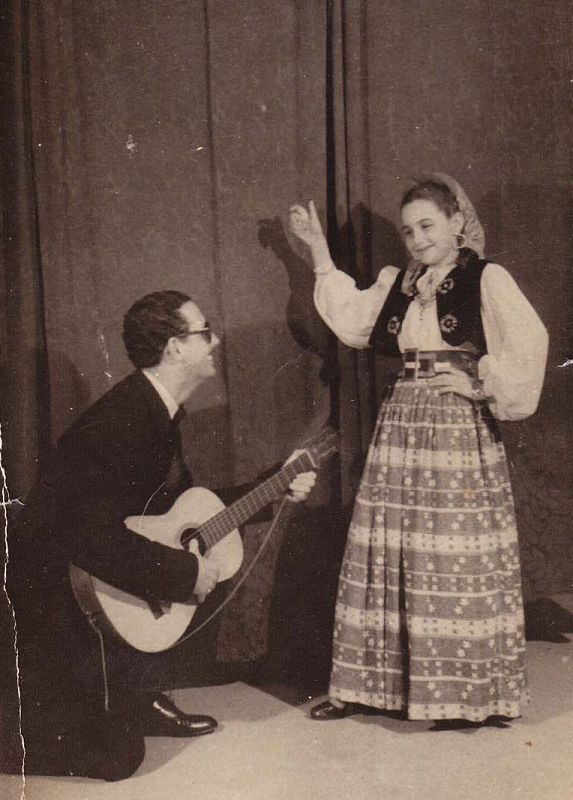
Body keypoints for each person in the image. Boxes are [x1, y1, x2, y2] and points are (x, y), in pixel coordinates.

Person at [4, 290, 316, 780]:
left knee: (120, 742)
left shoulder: (156, 410)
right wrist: (180, 572)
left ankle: (133, 698)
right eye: (204, 332)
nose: (213, 342)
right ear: (175, 348)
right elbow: (84, 534)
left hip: (87, 577)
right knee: (118, 758)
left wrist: (276, 485)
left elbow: (186, 515)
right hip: (51, 601)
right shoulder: (123, 421)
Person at [289, 174, 548, 728]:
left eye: (428, 226)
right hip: (403, 421)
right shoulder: (402, 283)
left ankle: (463, 696)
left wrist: (479, 384)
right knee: (388, 547)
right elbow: (356, 322)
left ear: (457, 223)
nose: (417, 239)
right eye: (408, 231)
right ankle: (372, 688)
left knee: (451, 554)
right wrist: (316, 249)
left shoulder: (485, 277)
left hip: (455, 426)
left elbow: (528, 343)